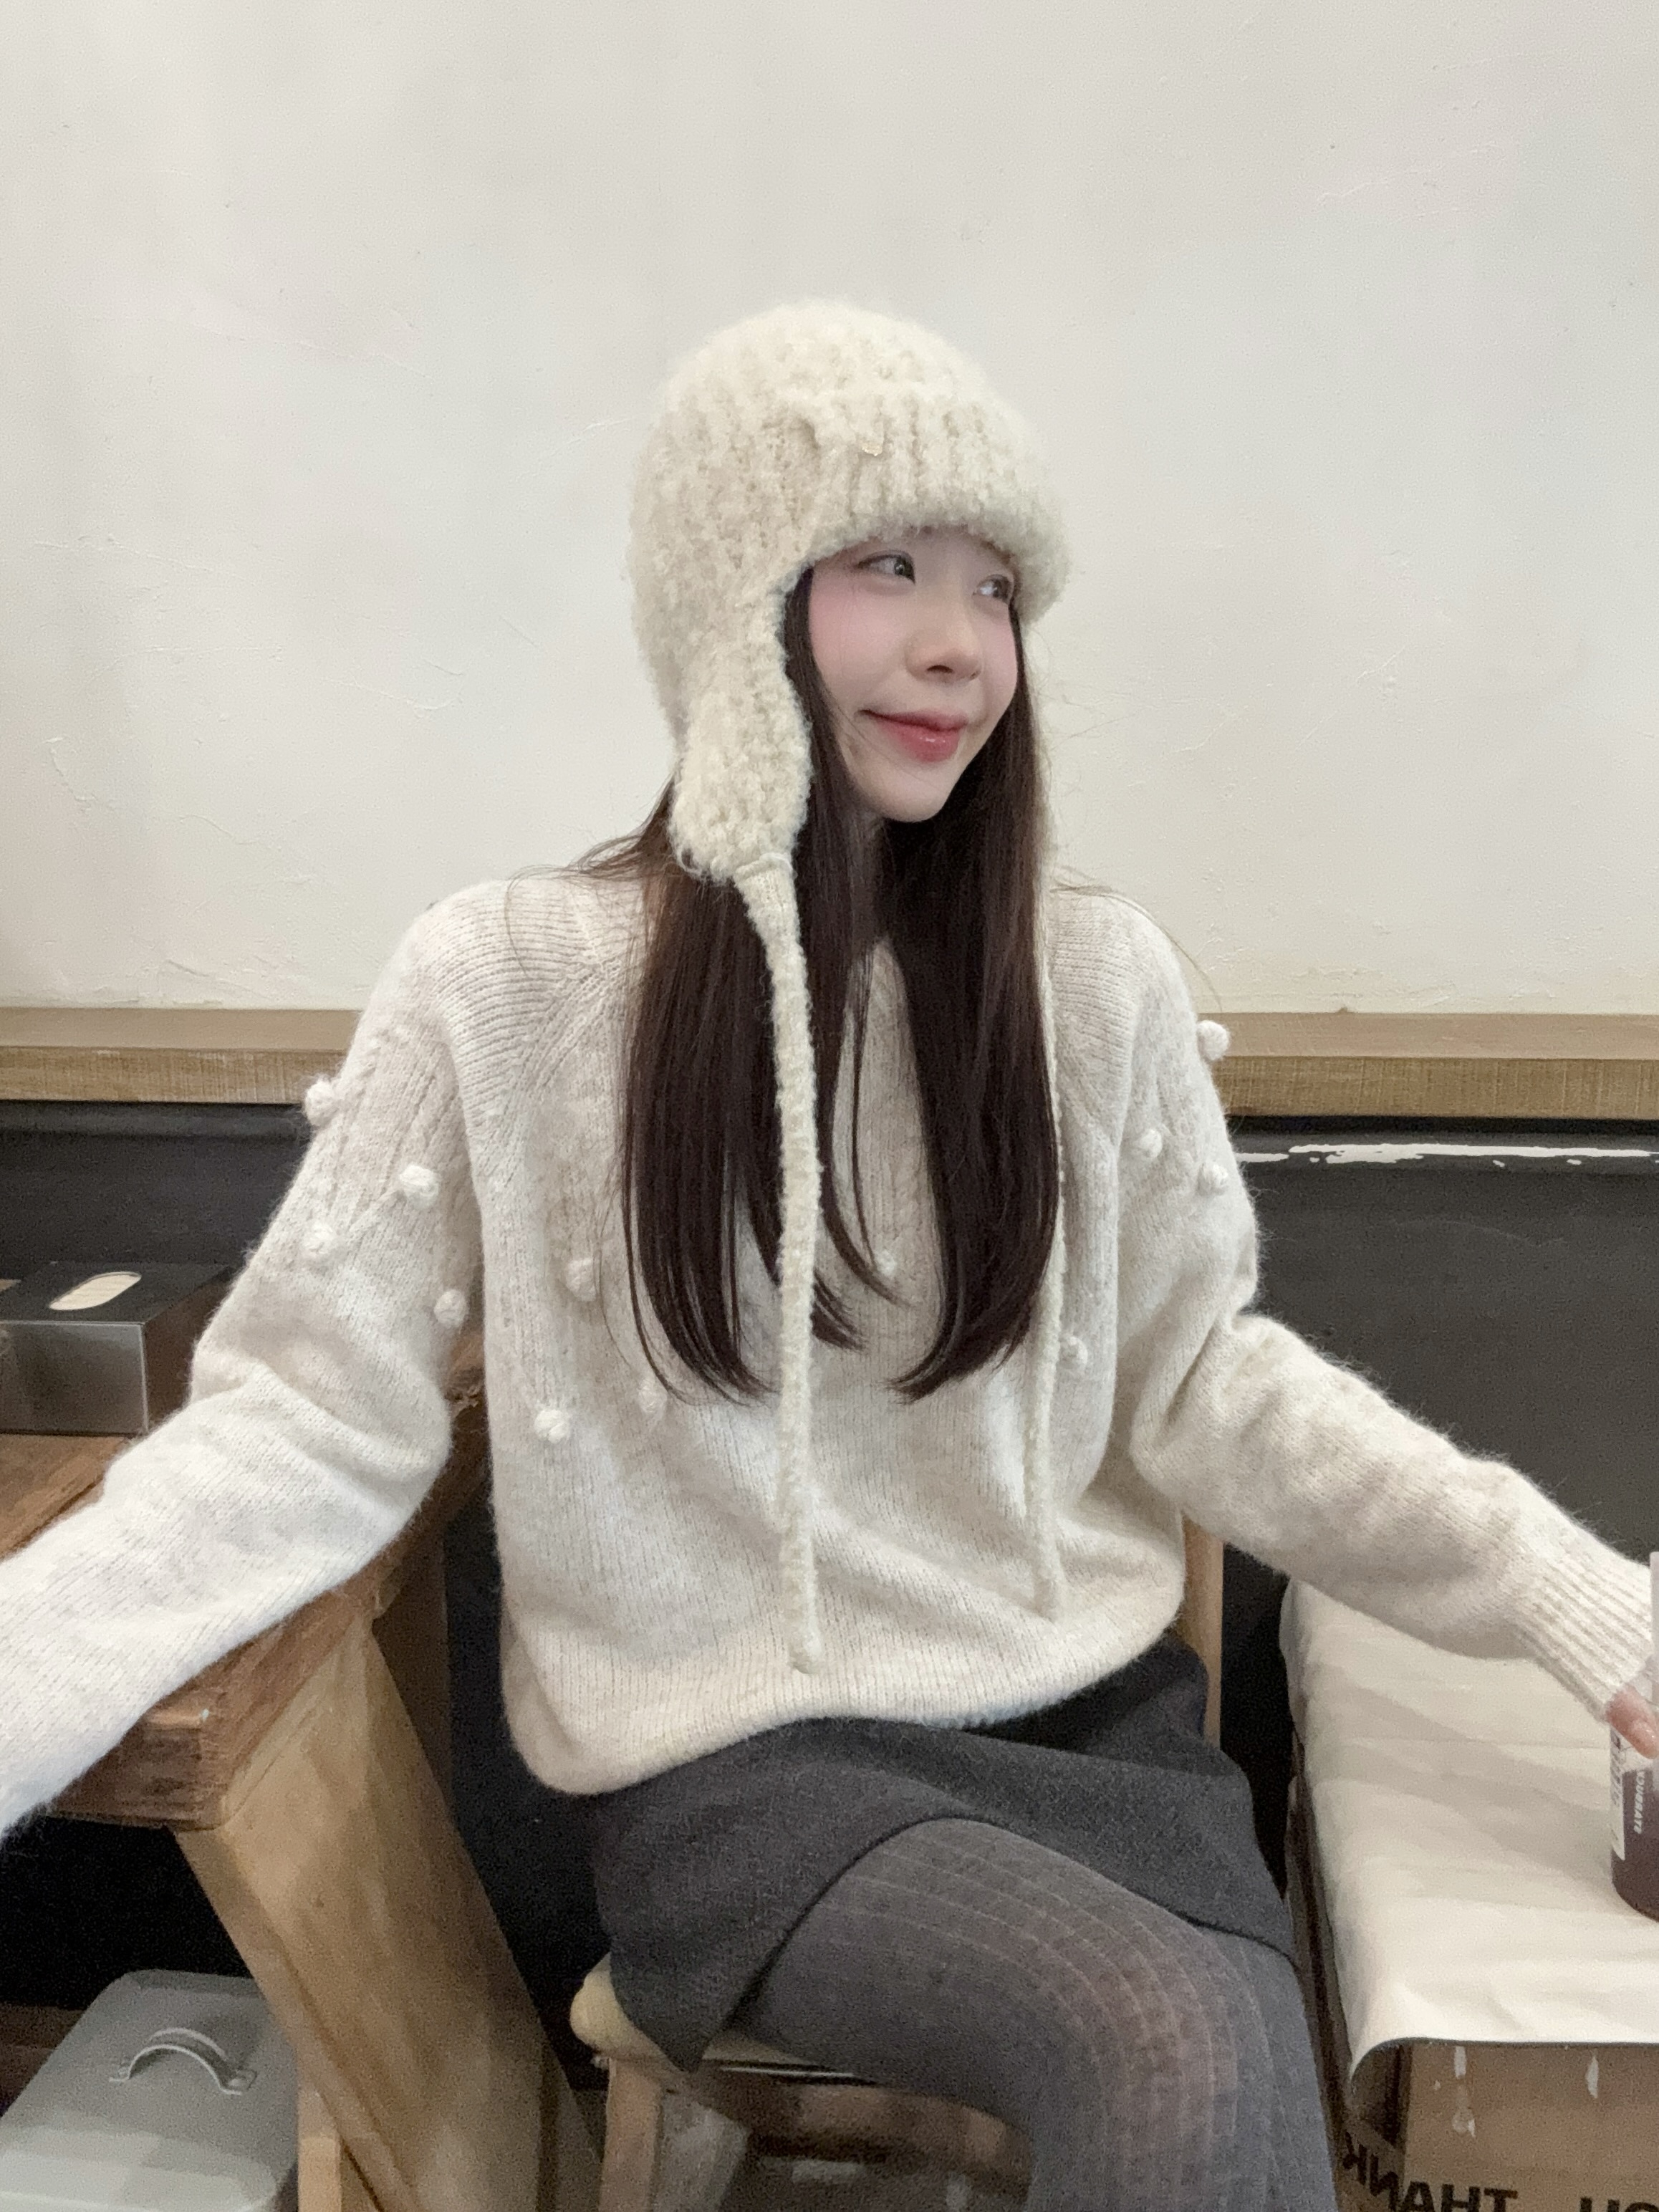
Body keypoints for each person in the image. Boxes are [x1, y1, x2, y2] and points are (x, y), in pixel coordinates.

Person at [1, 302, 1654, 2212]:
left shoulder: (1091, 982)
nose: (960, 642)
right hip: (741, 1768)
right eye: (885, 565)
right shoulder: (507, 984)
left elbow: (1210, 1382)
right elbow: (305, 1420)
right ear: (731, 604)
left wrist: (1589, 1611)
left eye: (993, 586)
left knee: (1218, 2047)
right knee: (1177, 2038)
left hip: (1093, 1731)